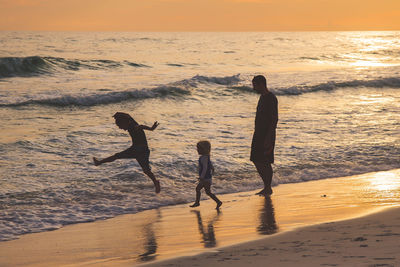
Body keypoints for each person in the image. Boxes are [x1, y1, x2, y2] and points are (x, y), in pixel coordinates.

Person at [93, 112, 161, 193]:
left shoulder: (133, 126)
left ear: (124, 122)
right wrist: (117, 114)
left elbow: (140, 126)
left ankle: (99, 162)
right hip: (140, 150)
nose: (120, 128)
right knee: (146, 170)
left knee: (117, 156)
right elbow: (128, 116)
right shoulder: (130, 123)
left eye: (120, 126)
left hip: (139, 150)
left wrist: (151, 128)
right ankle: (156, 182)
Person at [251, 75, 278, 196]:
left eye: (255, 85)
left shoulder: (270, 98)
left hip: (267, 134)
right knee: (256, 159)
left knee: (265, 161)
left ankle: (268, 187)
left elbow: (274, 119)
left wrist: (269, 137)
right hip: (258, 133)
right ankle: (266, 186)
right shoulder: (262, 97)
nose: (254, 88)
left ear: (261, 84)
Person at [190, 140, 222, 209]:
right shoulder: (207, 157)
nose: (197, 150)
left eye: (198, 148)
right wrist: (212, 171)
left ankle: (197, 202)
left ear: (203, 150)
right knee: (207, 192)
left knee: (198, 189)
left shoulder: (204, 158)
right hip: (207, 178)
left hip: (205, 178)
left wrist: (202, 177)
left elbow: (205, 168)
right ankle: (218, 202)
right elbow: (211, 166)